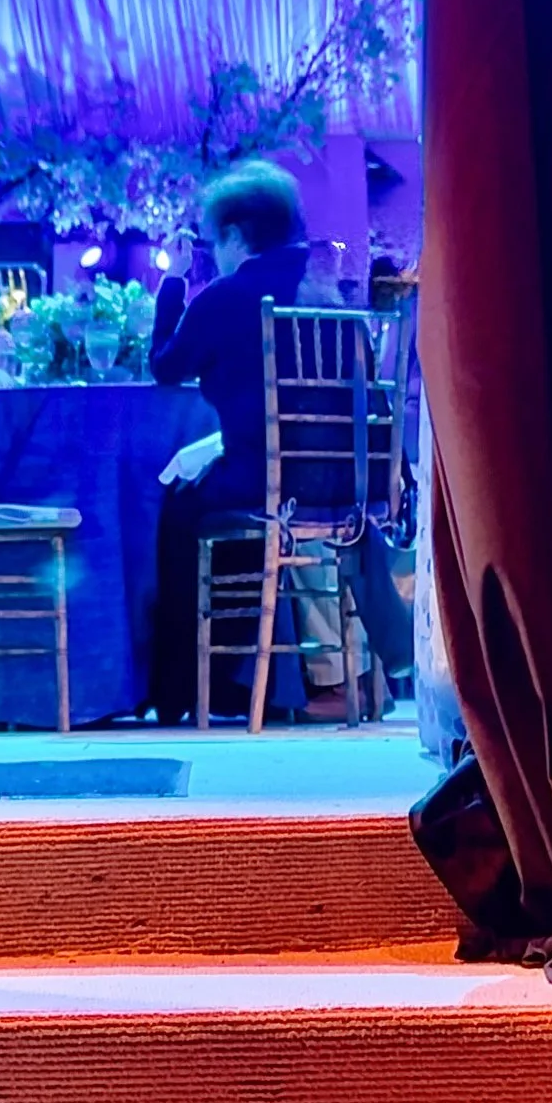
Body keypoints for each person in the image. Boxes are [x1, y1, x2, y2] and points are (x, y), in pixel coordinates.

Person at [146, 160, 312, 722]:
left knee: (176, 511)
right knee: (215, 498)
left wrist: (172, 290)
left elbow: (166, 368)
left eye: (217, 240)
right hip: (334, 481)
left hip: (261, 477)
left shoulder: (226, 297)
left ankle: (179, 689)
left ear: (237, 236)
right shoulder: (321, 290)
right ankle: (247, 680)